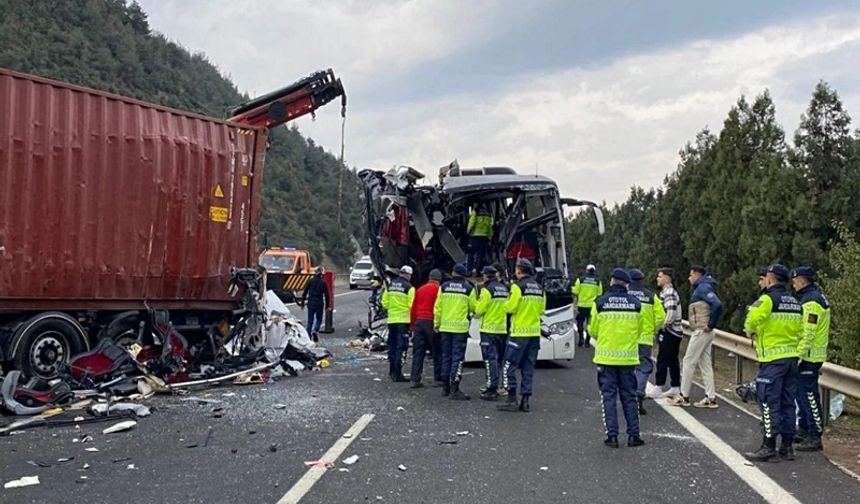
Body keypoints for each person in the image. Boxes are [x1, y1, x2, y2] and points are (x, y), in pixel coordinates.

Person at [743, 264, 803, 462]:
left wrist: (750, 331)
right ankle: (787, 447)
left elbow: (752, 319)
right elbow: (802, 331)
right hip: (791, 359)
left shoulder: (767, 299)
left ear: (770, 279)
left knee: (769, 402)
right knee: (787, 403)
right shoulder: (795, 301)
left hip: (772, 360)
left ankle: (768, 445)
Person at [589, 268, 645, 448]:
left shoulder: (600, 303)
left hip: (606, 359)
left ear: (612, 281)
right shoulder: (636, 304)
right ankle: (633, 436)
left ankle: (612, 436)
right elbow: (640, 329)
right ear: (627, 284)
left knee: (608, 398)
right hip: (628, 360)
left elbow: (593, 330)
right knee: (629, 397)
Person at [669, 265, 722, 408]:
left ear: (697, 275)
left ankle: (683, 396)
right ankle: (710, 398)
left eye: (691, 275)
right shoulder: (706, 286)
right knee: (705, 364)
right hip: (705, 332)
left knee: (688, 361)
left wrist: (710, 324)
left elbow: (717, 304)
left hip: (701, 330)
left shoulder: (703, 287)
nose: (689, 278)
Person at [498, 258, 546, 413]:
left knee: (508, 365)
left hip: (519, 333)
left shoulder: (517, 287)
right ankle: (525, 401)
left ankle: (511, 397)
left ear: (519, 270)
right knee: (528, 367)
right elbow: (541, 311)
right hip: (534, 334)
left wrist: (506, 303)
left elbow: (510, 308)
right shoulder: (539, 288)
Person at [791, 266, 830, 452]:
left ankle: (815, 435)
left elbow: (808, 332)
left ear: (802, 281)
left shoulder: (811, 301)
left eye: (795, 280)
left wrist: (797, 356)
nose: (793, 283)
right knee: (802, 395)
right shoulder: (811, 297)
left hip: (810, 356)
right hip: (809, 355)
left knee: (809, 396)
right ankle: (805, 429)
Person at [434, 263, 478, 400]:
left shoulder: (444, 287)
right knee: (457, 359)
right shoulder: (468, 289)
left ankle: (445, 388)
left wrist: (437, 323)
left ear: (453, 273)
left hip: (445, 328)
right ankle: (455, 388)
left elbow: (438, 307)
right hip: (460, 329)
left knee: (446, 357)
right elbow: (473, 308)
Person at [626, 269, 665, 415]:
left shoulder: (624, 296)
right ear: (642, 280)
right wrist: (653, 329)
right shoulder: (651, 296)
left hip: (627, 338)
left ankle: (628, 398)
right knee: (643, 368)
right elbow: (661, 317)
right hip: (645, 339)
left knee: (628, 369)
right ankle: (638, 394)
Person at [475, 265, 510, 401]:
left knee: (490, 360)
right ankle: (501, 386)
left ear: (485, 276)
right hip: (501, 329)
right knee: (499, 360)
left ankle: (491, 388)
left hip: (488, 329)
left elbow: (479, 310)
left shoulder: (486, 290)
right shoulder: (504, 289)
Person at [648, 268, 683, 399]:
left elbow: (671, 312)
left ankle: (659, 386)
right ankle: (675, 386)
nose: (658, 279)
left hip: (670, 331)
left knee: (662, 358)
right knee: (673, 359)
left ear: (668, 278)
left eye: (660, 276)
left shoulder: (669, 293)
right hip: (674, 331)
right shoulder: (667, 292)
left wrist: (663, 326)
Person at [410, 269, 444, 388]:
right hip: (431, 322)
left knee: (418, 352)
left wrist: (413, 326)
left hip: (419, 322)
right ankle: (438, 378)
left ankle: (415, 379)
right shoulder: (439, 290)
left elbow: (413, 308)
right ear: (439, 280)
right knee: (437, 351)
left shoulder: (420, 289)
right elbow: (440, 307)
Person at [382, 266, 415, 382]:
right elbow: (412, 306)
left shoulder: (390, 286)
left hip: (392, 320)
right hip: (403, 321)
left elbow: (384, 303)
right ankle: (398, 373)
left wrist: (393, 308)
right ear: (408, 275)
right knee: (401, 347)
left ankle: (391, 371)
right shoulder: (409, 288)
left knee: (392, 346)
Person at [572, 264, 603, 348]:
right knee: (590, 323)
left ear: (586, 270)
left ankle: (581, 338)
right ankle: (587, 341)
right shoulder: (598, 281)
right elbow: (600, 294)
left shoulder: (580, 280)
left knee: (580, 322)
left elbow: (575, 291)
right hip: (592, 306)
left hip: (581, 305)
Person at [300, 266, 330, 342]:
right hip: (319, 302)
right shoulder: (323, 282)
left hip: (311, 301)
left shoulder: (311, 281)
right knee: (319, 319)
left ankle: (308, 336)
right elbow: (327, 295)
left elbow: (305, 292)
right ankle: (315, 330)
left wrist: (303, 302)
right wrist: (327, 306)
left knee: (310, 321)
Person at [467, 204, 494, 275]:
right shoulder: (488, 213)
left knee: (470, 254)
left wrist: (468, 231)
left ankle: (469, 270)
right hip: (484, 237)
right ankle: (477, 270)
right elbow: (490, 226)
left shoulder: (475, 211)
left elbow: (471, 223)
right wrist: (490, 236)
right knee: (480, 255)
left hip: (474, 236)